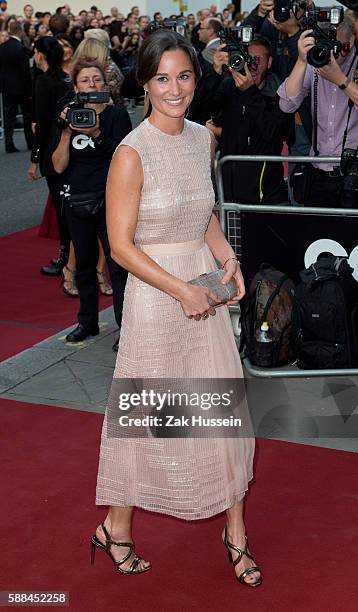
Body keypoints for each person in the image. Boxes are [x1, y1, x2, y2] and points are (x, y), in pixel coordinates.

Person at [94, 30, 261, 587]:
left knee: (221, 416)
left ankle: (235, 532)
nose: (174, 89)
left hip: (203, 289)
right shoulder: (130, 152)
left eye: (183, 76)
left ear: (196, 79)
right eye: (161, 78)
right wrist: (182, 289)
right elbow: (121, 247)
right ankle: (117, 527)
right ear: (144, 83)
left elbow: (203, 212)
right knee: (152, 421)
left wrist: (225, 256)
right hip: (156, 297)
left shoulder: (200, 139)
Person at [51, 60, 131, 345]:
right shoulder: (69, 118)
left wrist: (97, 134)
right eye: (85, 80)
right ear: (75, 87)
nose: (92, 85)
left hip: (111, 200)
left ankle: (126, 328)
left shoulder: (117, 116)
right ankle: (87, 322)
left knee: (118, 266)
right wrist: (65, 131)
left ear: (105, 84)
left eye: (97, 79)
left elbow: (125, 159)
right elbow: (58, 166)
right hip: (77, 199)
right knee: (84, 265)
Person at [278, 18, 358, 207]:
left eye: (335, 43)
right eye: (325, 43)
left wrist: (340, 79)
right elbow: (286, 104)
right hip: (318, 173)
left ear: (351, 40)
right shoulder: (315, 64)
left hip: (353, 175)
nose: (330, 51)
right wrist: (301, 60)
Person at [28, 36, 72, 275]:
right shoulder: (65, 80)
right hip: (67, 149)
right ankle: (70, 257)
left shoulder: (44, 82)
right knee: (67, 206)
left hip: (52, 151)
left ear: (40, 55)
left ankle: (66, 259)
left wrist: (34, 160)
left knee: (61, 206)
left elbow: (42, 124)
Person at [0, 19, 33, 153]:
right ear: (20, 31)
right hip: (21, 88)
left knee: (9, 117)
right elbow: (25, 72)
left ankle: (8, 143)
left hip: (7, 88)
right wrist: (29, 90)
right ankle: (30, 142)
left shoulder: (2, 48)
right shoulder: (21, 49)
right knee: (27, 116)